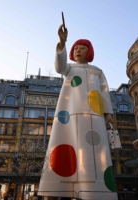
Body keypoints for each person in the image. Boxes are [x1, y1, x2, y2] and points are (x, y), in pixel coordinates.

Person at [38, 24, 116, 200]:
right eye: (76, 48)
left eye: (83, 48)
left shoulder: (97, 71)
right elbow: (59, 66)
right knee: (68, 145)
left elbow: (104, 92)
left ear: (89, 51)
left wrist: (107, 113)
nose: (79, 50)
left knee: (93, 152)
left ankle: (93, 191)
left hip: (94, 117)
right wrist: (62, 42)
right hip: (71, 114)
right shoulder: (70, 68)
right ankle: (62, 189)